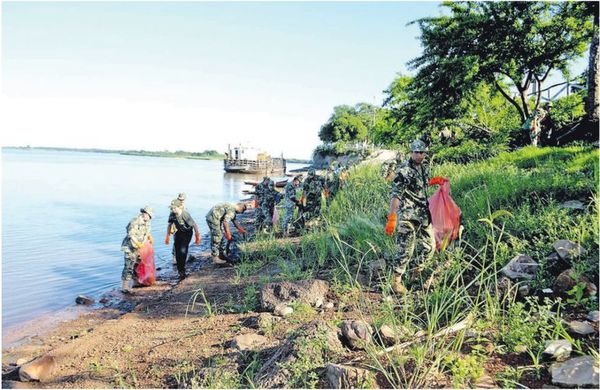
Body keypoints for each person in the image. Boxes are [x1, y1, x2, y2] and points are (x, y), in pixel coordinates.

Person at [384, 140, 436, 294]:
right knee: (406, 248)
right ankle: (396, 282)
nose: (420, 155)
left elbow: (422, 186)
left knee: (429, 246)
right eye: (416, 152)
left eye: (422, 152)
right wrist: (392, 217)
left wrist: (436, 181)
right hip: (408, 214)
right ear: (411, 152)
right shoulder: (404, 171)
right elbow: (396, 194)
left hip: (422, 214)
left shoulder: (424, 168)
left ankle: (414, 276)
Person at [120, 206, 154, 293]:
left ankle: (136, 282)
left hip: (140, 247)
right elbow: (131, 235)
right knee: (129, 266)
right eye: (148, 215)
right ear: (144, 213)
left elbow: (147, 233)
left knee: (137, 264)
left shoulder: (147, 222)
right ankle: (125, 286)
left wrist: (149, 237)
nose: (149, 218)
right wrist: (137, 243)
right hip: (130, 247)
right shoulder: (135, 221)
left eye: (150, 217)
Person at [165, 199, 200, 280]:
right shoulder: (172, 214)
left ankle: (183, 271)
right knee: (177, 251)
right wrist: (167, 235)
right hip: (179, 232)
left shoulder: (185, 214)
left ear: (179, 207)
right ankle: (180, 271)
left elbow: (194, 225)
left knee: (183, 251)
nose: (173, 210)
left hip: (187, 233)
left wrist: (197, 235)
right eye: (171, 208)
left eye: (174, 208)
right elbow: (169, 224)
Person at [170, 193, 187, 264]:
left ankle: (181, 256)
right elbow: (172, 215)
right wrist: (172, 227)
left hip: (182, 225)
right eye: (180, 199)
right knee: (176, 242)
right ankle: (174, 258)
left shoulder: (183, 204)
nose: (182, 201)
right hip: (175, 225)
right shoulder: (175, 203)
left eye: (183, 199)